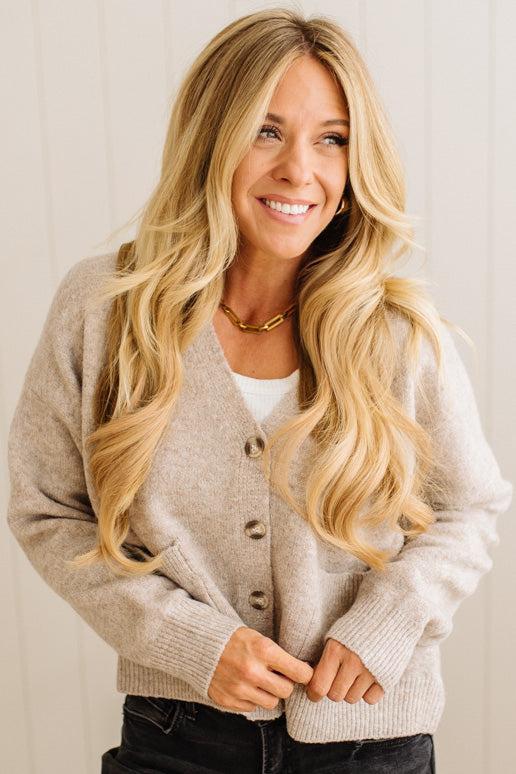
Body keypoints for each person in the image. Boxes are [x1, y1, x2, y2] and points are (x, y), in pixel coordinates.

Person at [6, 7, 512, 774]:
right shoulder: (107, 310)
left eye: (331, 138)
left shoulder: (397, 329)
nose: (297, 171)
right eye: (266, 131)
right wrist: (187, 640)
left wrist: (384, 623)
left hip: (371, 737)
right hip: (176, 733)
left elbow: (468, 507)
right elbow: (46, 508)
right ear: (212, 138)